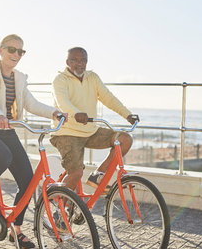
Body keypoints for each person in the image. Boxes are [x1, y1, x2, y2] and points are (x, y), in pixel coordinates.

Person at [0, 34, 65, 249]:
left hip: (7, 130)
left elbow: (30, 103)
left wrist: (55, 113)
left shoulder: (19, 78)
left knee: (28, 182)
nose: (16, 54)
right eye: (11, 49)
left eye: (20, 51)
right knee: (3, 156)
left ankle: (16, 229)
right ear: (1, 50)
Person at [50, 47, 139, 192]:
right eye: (74, 60)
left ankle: (98, 175)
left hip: (90, 131)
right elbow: (62, 102)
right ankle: (59, 207)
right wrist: (76, 113)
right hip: (67, 133)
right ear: (67, 62)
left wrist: (127, 114)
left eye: (83, 60)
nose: (79, 64)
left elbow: (108, 98)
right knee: (76, 173)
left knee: (124, 139)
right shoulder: (60, 80)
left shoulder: (92, 77)